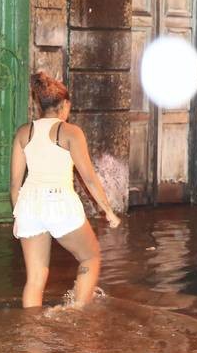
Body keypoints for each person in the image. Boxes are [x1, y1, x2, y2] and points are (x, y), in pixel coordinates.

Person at [10, 71, 121, 308]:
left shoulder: (23, 132)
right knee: (90, 257)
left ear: (38, 104)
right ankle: (77, 317)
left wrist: (18, 216)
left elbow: (14, 185)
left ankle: (32, 337)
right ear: (65, 105)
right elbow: (89, 179)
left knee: (35, 279)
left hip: (28, 204)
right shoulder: (71, 132)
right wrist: (108, 211)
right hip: (58, 203)